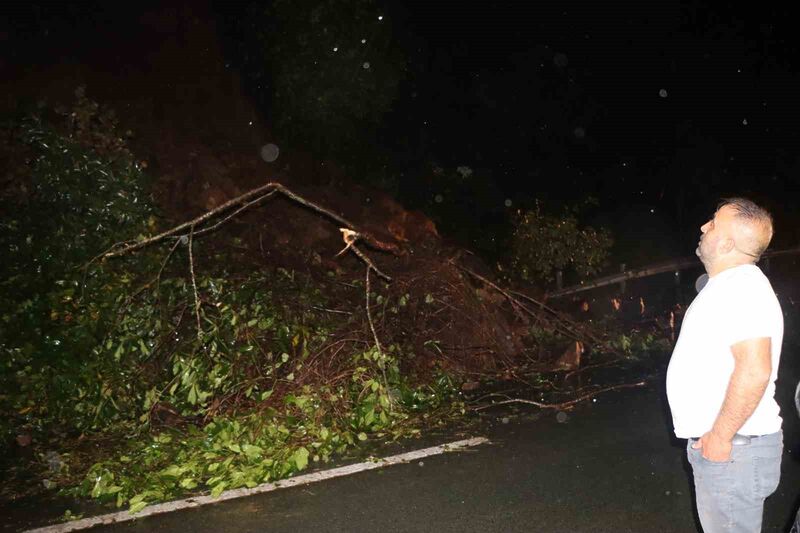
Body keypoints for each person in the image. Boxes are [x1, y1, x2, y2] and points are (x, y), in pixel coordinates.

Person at [666, 198, 783, 533]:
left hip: (734, 449)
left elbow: (755, 369)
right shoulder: (727, 286)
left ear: (729, 243)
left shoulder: (742, 286)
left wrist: (720, 436)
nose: (704, 227)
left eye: (713, 223)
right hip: (734, 449)